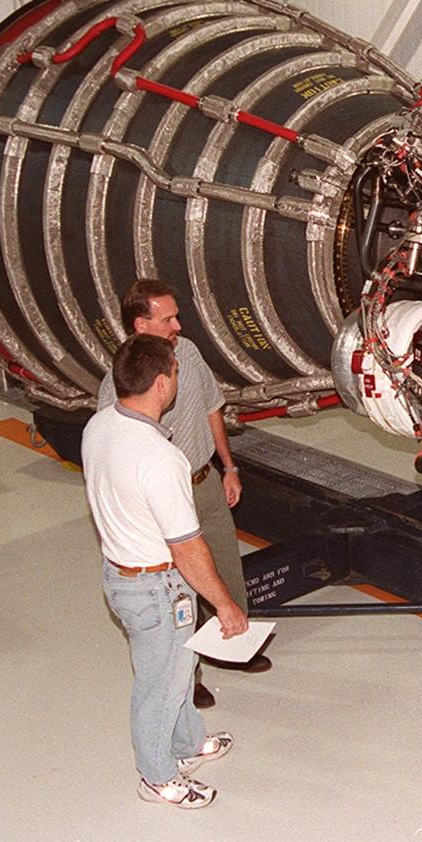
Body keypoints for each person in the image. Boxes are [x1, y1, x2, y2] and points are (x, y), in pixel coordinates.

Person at [82, 333, 249, 808]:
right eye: (176, 372)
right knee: (162, 683)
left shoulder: (100, 425)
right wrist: (224, 605)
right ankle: (156, 776)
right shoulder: (160, 459)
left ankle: (186, 742)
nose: (179, 377)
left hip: (124, 575)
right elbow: (188, 547)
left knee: (180, 664)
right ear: (161, 385)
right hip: (155, 586)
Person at [97, 278, 269, 711]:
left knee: (227, 566)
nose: (178, 324)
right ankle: (187, 674)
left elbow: (212, 407)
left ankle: (233, 645)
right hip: (163, 500)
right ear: (141, 325)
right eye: (168, 318)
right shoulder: (118, 384)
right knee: (180, 589)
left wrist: (228, 467)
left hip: (203, 481)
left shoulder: (187, 353)